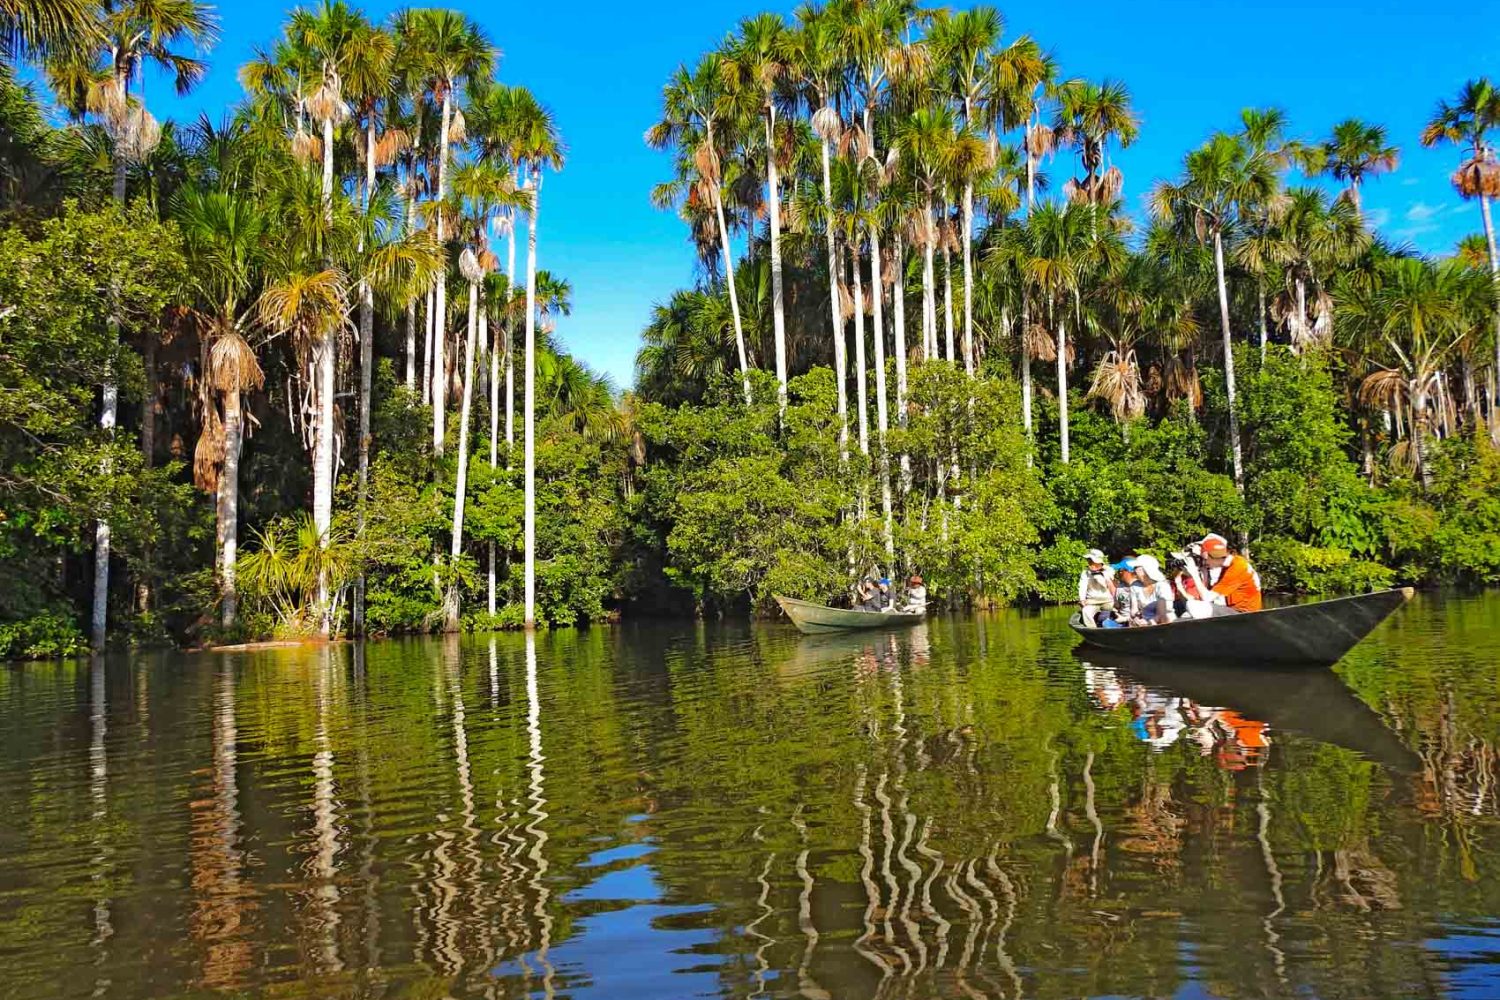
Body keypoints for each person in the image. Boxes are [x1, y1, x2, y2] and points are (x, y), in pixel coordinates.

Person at [1199, 534, 1262, 612]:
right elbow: (1212, 593)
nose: (1204, 563)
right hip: (1236, 610)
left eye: (1205, 559)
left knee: (1195, 606)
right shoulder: (1232, 563)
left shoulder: (1237, 567)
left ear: (1213, 556)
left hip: (1244, 613)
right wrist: (1204, 573)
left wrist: (1194, 573)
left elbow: (1207, 598)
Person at [1132, 554, 1175, 623]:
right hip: (1144, 623)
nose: (1133, 571)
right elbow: (1134, 609)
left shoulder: (1163, 586)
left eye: (1136, 568)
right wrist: (1136, 618)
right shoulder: (1134, 586)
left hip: (1165, 623)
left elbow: (1162, 614)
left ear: (1145, 569)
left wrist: (1148, 622)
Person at [1077, 549, 1115, 627]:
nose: (1089, 563)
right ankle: (1093, 630)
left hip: (1108, 600)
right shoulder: (1085, 573)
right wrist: (1082, 599)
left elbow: (1110, 586)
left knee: (1106, 617)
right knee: (1085, 612)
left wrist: (1100, 573)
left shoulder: (1109, 570)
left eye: (1091, 561)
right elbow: (1082, 586)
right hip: (1092, 601)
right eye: (1089, 561)